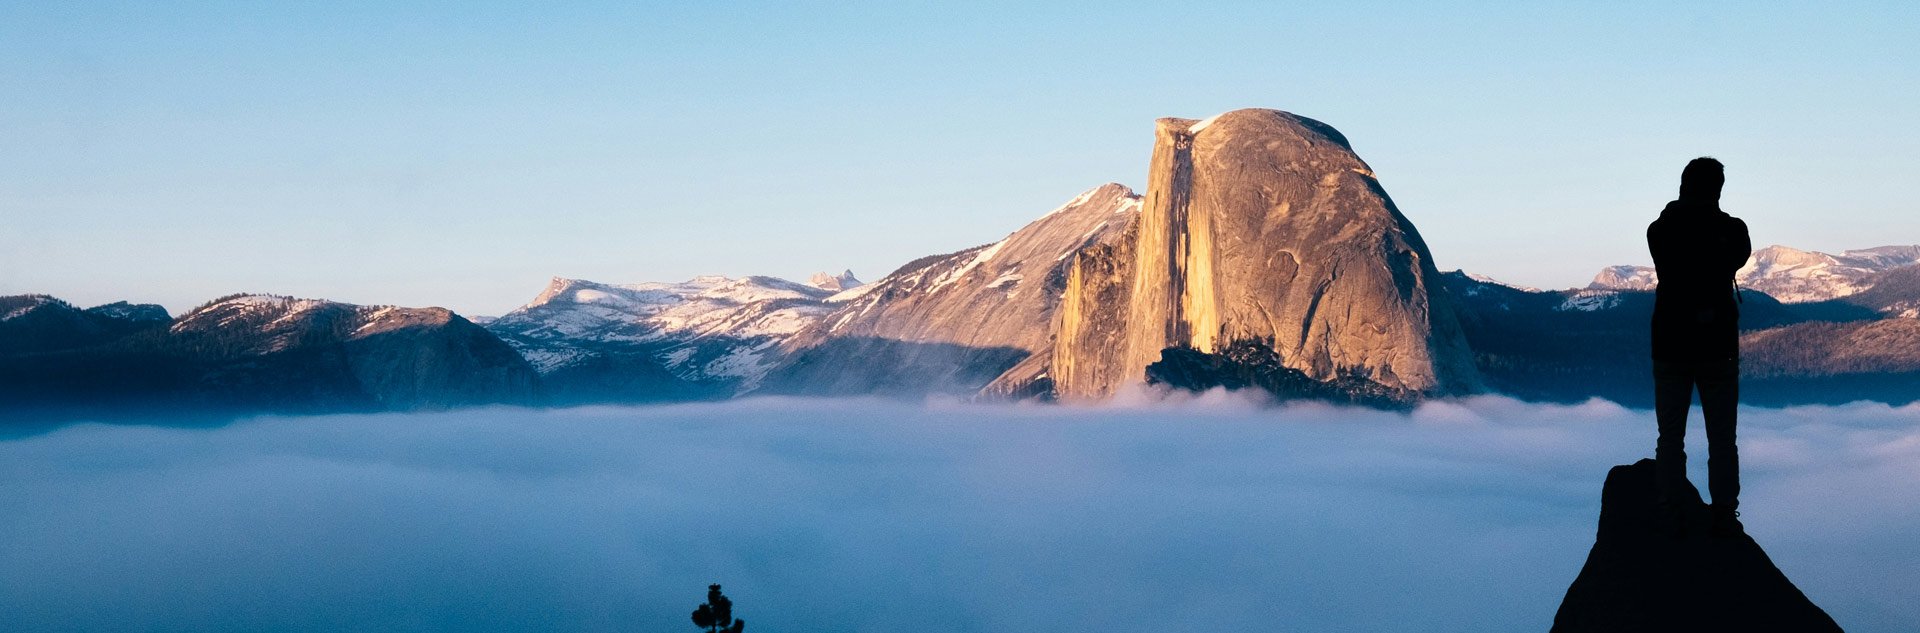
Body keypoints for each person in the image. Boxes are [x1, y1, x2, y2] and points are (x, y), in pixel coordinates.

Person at [1647, 157, 1751, 537]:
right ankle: (1725, 512)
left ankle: (1670, 509)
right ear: (1718, 190)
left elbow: (1660, 242)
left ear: (1682, 186)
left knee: (1670, 435)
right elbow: (1738, 256)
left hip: (1671, 344)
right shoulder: (1733, 231)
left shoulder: (1660, 230)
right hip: (1718, 345)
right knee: (1722, 436)